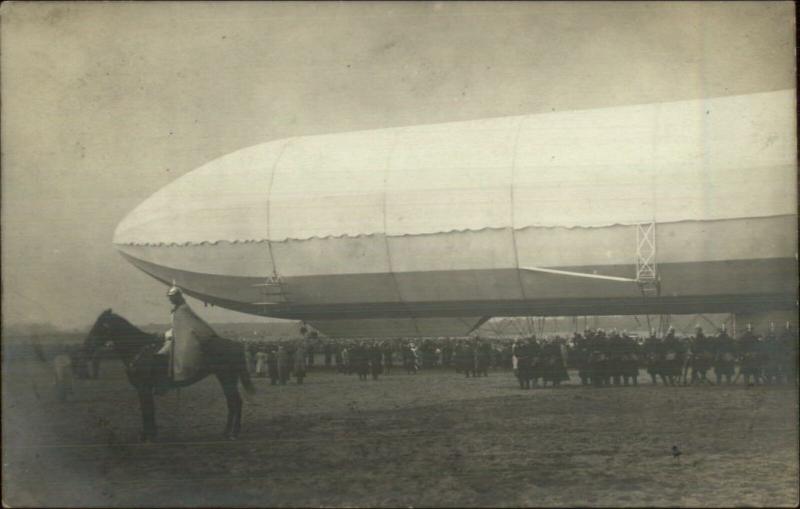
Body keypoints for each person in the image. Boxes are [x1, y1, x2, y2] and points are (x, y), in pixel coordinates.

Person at [157, 284, 216, 383]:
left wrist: (167, 335)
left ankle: (170, 379)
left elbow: (185, 327)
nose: (170, 299)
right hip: (175, 335)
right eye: (169, 297)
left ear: (177, 296)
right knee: (160, 353)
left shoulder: (183, 309)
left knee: (164, 354)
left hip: (183, 337)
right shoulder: (177, 309)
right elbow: (177, 326)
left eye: (172, 297)